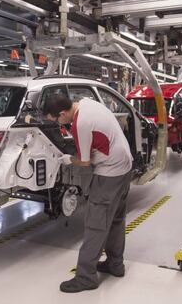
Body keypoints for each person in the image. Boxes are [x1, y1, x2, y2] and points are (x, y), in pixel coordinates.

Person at [43, 93, 133, 293]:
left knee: (95, 224)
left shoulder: (80, 124)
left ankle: (86, 277)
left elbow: (84, 162)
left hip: (110, 173)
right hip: (125, 166)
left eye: (57, 120)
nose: (58, 124)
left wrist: (67, 159)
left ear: (63, 113)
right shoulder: (86, 102)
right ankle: (115, 264)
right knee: (116, 218)